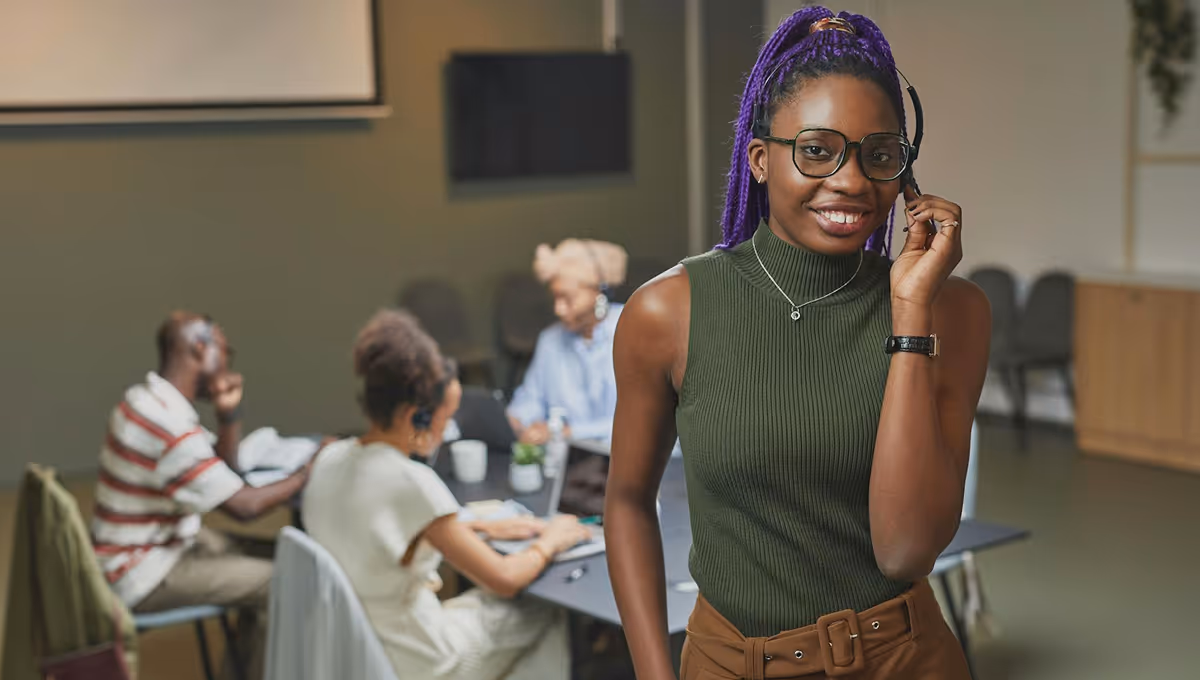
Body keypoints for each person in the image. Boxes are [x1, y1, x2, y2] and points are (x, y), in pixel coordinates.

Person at [605, 8, 990, 680]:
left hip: (904, 659)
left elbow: (904, 550)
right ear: (760, 159)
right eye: (816, 149)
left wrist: (908, 313)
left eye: (878, 154)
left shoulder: (950, 311)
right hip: (731, 663)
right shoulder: (666, 313)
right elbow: (627, 502)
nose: (850, 180)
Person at [303, 309, 592, 680]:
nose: (449, 427)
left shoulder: (330, 458)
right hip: (422, 660)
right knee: (543, 610)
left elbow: (377, 533)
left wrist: (481, 529)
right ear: (416, 416)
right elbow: (503, 579)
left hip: (358, 648)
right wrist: (551, 540)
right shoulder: (411, 482)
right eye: (446, 417)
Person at [91, 311, 315, 679]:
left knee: (293, 557)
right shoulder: (169, 427)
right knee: (286, 578)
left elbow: (223, 469)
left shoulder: (144, 400)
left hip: (153, 546)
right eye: (226, 351)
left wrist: (229, 416)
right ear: (201, 348)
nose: (228, 362)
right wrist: (309, 471)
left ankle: (245, 669)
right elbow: (245, 506)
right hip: (141, 570)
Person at [507, 239, 628, 445]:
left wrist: (569, 432)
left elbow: (641, 423)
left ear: (599, 292)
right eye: (555, 297)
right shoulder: (550, 340)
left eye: (568, 298)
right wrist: (519, 421)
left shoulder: (632, 330)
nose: (558, 309)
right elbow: (529, 401)